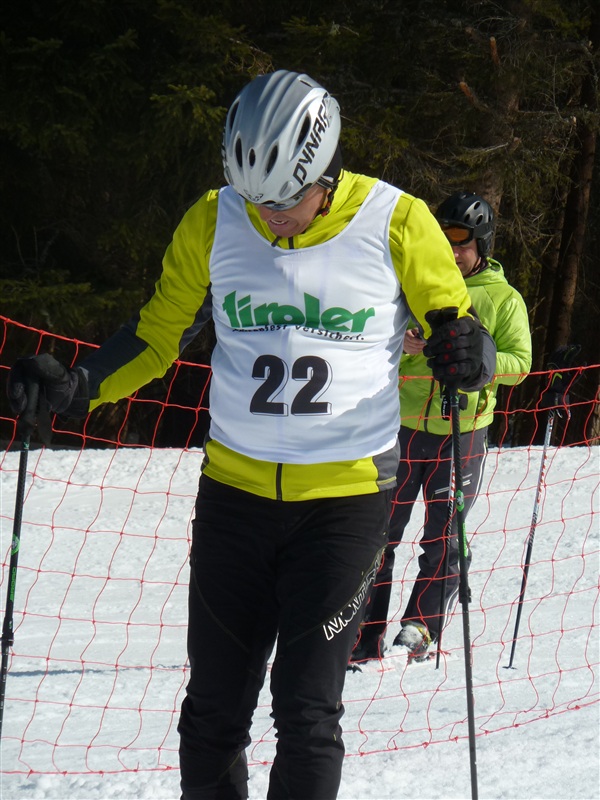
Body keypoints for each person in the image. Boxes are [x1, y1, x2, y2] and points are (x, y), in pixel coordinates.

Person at [7, 73, 496, 800]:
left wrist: (471, 352)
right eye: (255, 200)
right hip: (234, 501)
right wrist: (78, 387)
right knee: (212, 710)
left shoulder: (397, 221)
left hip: (344, 504)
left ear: (325, 176)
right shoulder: (213, 220)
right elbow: (156, 336)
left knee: (306, 711)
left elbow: (456, 325)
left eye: (285, 201)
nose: (270, 218)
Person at [350, 191, 532, 666]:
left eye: (463, 243)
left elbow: (521, 363)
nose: (452, 253)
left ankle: (420, 627)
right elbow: (368, 343)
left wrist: (477, 361)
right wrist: (404, 345)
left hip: (462, 430)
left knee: (444, 535)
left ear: (482, 246)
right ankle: (363, 631)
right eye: (445, 241)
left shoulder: (503, 298)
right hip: (403, 426)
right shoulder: (414, 286)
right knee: (379, 531)